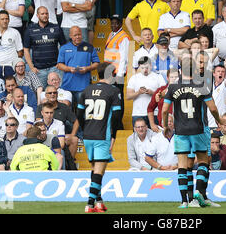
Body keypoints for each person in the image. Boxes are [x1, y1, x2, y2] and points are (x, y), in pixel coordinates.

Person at [162, 56, 226, 209]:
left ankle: (185, 201)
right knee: (204, 161)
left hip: (180, 131)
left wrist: (165, 126)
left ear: (180, 70)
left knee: (183, 165)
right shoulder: (201, 84)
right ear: (195, 70)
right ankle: (198, 192)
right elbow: (213, 108)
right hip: (198, 128)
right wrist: (219, 120)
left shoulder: (172, 87)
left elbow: (164, 110)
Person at [76, 62, 122, 213]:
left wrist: (85, 129)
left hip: (88, 135)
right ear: (112, 74)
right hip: (103, 135)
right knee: (99, 170)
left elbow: (79, 114)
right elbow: (116, 116)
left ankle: (99, 202)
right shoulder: (113, 91)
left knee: (96, 169)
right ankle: (89, 205)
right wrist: (113, 136)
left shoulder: (87, 90)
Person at [23, 6, 66, 88]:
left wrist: (61, 62)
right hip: (39, 70)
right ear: (37, 15)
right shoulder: (30, 30)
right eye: (42, 14)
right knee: (41, 94)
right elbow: (26, 50)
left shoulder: (56, 28)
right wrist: (31, 67)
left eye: (46, 13)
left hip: (55, 68)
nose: (45, 15)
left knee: (58, 91)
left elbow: (63, 47)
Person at [57, 26, 100, 107]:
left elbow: (96, 63)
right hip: (67, 86)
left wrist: (87, 68)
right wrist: (69, 69)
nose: (77, 37)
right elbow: (59, 65)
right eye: (75, 35)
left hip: (83, 86)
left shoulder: (89, 47)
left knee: (82, 111)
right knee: (68, 112)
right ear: (70, 36)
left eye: (79, 34)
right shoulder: (64, 48)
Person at [36, 87, 79, 157]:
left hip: (60, 135)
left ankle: (70, 163)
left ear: (57, 94)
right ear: (46, 95)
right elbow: (38, 123)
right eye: (50, 93)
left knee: (74, 139)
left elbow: (76, 121)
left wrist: (72, 134)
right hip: (44, 136)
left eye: (54, 93)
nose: (52, 94)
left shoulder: (64, 107)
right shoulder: (41, 107)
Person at [126, 56, 166, 127]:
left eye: (147, 68)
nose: (145, 70)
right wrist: (138, 92)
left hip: (155, 113)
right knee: (138, 137)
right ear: (138, 67)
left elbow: (165, 94)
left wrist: (153, 93)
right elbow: (128, 96)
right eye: (142, 68)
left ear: (151, 65)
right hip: (138, 113)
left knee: (156, 137)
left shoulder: (158, 77)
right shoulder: (134, 78)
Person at [0, 10, 23, 79]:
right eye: (2, 19)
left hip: (11, 67)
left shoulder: (15, 32)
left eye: (6, 19)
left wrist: (15, 64)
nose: (5, 21)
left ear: (9, 20)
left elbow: (20, 51)